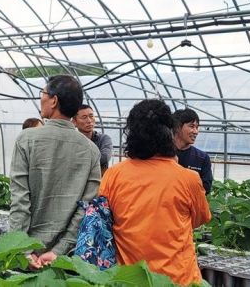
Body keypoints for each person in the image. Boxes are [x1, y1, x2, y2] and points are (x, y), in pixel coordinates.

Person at [99, 99, 210, 285]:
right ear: (170, 134)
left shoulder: (113, 175)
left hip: (130, 279)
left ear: (132, 135)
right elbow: (198, 220)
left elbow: (104, 223)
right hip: (179, 279)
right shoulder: (188, 178)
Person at [9, 75, 101, 269]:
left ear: (54, 100)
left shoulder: (27, 139)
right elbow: (85, 207)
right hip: (65, 258)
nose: (40, 98)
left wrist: (22, 248)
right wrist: (58, 250)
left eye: (43, 93)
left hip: (25, 251)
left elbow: (20, 200)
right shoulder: (91, 150)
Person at [173, 108, 213, 195]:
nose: (196, 132)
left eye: (197, 127)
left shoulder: (202, 158)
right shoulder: (162, 154)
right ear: (177, 127)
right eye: (192, 126)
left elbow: (206, 188)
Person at [72, 105, 113, 173]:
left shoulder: (103, 139)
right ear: (74, 122)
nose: (89, 121)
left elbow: (104, 158)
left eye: (91, 116)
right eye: (84, 117)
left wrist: (79, 160)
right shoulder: (72, 140)